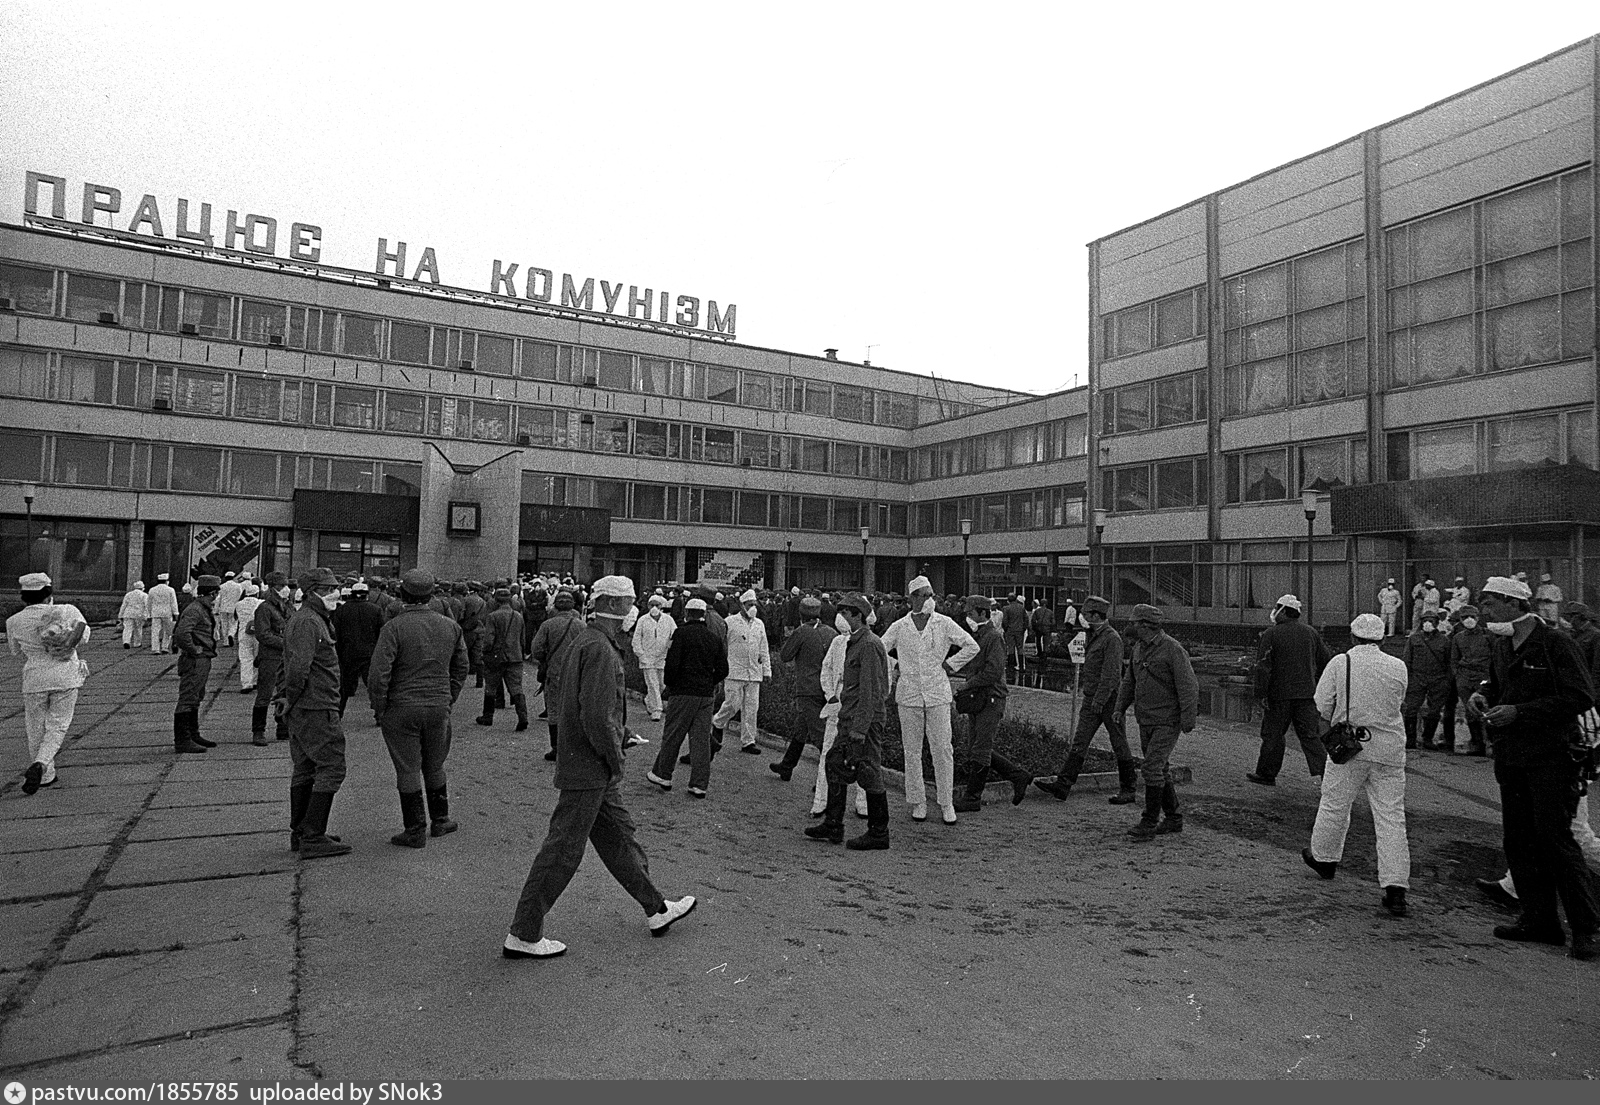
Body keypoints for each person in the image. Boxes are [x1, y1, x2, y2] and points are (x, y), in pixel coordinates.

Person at [502, 575, 697, 959]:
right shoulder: (602, 650)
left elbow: (590, 706)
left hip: (586, 764)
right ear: (618, 607)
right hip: (590, 768)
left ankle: (656, 908)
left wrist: (618, 734)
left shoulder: (589, 642)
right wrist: (615, 752)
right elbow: (595, 713)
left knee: (618, 838)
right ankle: (524, 932)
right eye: (630, 602)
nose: (633, 609)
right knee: (562, 850)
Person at [1470, 576, 1597, 960]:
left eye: (1489, 603)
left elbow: (1580, 696)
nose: (1484, 611)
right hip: (1512, 758)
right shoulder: (1502, 643)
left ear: (1513, 603)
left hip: (1551, 758)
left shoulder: (1556, 643)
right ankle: (1539, 920)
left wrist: (1520, 713)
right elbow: (1498, 683)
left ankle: (1588, 929)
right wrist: (1483, 694)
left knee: (1555, 841)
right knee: (1519, 840)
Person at [1301, 613, 1412, 917]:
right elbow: (1397, 702)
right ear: (1383, 639)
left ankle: (1324, 858)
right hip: (1389, 749)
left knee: (1335, 803)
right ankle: (1395, 887)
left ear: (1351, 637)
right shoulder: (1398, 666)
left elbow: (1322, 706)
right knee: (1391, 818)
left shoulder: (1340, 662)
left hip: (1351, 746)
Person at [368, 568, 470, 848]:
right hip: (438, 706)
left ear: (402, 595)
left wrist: (380, 707)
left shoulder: (393, 628)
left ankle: (414, 829)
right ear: (431, 595)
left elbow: (378, 674)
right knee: (435, 764)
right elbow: (462, 665)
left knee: (408, 769)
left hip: (402, 707)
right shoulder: (450, 626)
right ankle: (441, 820)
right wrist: (449, 696)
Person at [881, 575, 979, 824]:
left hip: (937, 694)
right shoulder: (900, 626)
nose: (930, 600)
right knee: (912, 750)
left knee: (943, 749)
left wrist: (950, 664)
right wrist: (896, 664)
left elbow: (971, 645)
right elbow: (878, 649)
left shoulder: (943, 623)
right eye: (925, 595)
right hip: (909, 695)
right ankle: (918, 801)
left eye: (932, 595)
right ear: (913, 598)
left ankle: (946, 802)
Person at [805, 594, 892, 849]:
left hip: (863, 723)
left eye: (846, 612)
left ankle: (879, 832)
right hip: (850, 719)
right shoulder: (855, 642)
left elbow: (871, 692)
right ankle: (833, 825)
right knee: (834, 764)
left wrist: (859, 731)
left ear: (858, 615)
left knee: (869, 772)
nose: (842, 616)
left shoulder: (869, 645)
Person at [1034, 595, 1139, 803]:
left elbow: (1111, 675)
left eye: (1085, 614)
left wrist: (1099, 701)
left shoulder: (1111, 639)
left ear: (1095, 615)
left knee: (1119, 742)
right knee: (1080, 741)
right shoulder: (1093, 635)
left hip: (1109, 700)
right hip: (1092, 698)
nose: (1082, 618)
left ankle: (1129, 789)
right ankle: (1063, 785)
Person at [280, 567, 352, 859]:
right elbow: (298, 668)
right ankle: (312, 835)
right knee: (332, 766)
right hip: (315, 705)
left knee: (307, 766)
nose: (334, 593)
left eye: (335, 588)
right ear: (311, 593)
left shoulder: (313, 619)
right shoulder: (309, 622)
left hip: (310, 704)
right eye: (327, 589)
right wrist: (289, 697)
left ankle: (303, 830)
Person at [1116, 604, 1198, 841]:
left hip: (1167, 720)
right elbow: (1129, 682)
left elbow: (1188, 686)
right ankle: (1173, 819)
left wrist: (1188, 718)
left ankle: (1149, 821)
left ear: (1144, 625)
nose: (1129, 626)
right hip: (1146, 718)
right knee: (1160, 768)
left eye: (1133, 622)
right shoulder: (1139, 649)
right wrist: (1119, 708)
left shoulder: (1172, 649)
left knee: (1151, 767)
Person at [7, 572, 89, 794]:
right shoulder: (67, 611)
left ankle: (46, 775)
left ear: (24, 597)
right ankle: (42, 764)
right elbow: (84, 636)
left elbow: (14, 651)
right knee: (58, 725)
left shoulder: (13, 621)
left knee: (35, 727)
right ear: (48, 594)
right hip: (65, 675)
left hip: (34, 678)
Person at [951, 595, 1030, 812]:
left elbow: (993, 671)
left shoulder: (993, 637)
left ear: (982, 613)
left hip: (991, 698)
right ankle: (1018, 776)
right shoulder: (978, 636)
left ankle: (973, 797)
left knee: (980, 748)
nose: (968, 617)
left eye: (970, 613)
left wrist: (967, 685)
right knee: (976, 748)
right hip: (979, 699)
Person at [1246, 595, 1332, 787]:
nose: (1274, 612)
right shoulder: (1311, 633)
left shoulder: (1271, 634)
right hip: (1306, 694)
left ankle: (1267, 774)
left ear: (1284, 611)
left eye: (1277, 608)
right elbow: (1326, 661)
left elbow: (1263, 667)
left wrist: (1261, 694)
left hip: (1279, 696)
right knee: (1311, 736)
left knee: (1273, 735)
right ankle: (1328, 775)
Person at [648, 597, 728, 798]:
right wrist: (709, 681)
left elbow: (672, 665)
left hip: (683, 692)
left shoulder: (680, 634)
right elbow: (723, 669)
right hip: (705, 694)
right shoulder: (713, 638)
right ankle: (699, 785)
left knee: (673, 734)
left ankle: (663, 774)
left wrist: (671, 684)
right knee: (701, 741)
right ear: (703, 615)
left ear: (687, 613)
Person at [772, 595, 835, 782]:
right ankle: (787, 766)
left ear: (800, 614)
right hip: (826, 690)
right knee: (801, 729)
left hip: (807, 690)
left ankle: (829, 780)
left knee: (820, 737)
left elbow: (785, 655)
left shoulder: (801, 632)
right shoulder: (831, 633)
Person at [710, 589, 771, 754]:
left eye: (754, 604)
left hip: (754, 672)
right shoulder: (729, 622)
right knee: (733, 704)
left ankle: (748, 741)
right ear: (742, 605)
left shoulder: (759, 624)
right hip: (734, 671)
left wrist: (767, 670)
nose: (753, 607)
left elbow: (763, 648)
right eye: (749, 605)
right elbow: (721, 645)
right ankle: (718, 722)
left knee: (752, 708)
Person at [528, 589, 585, 761]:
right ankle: (574, 747)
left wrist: (546, 659)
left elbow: (536, 649)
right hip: (576, 673)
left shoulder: (548, 625)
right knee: (575, 709)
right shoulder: (581, 625)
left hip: (554, 673)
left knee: (554, 710)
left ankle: (556, 748)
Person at [172, 574, 220, 753]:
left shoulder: (202, 608)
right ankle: (183, 740)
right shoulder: (196, 609)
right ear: (213, 593)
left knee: (196, 697)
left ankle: (193, 734)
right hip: (194, 660)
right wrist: (194, 649)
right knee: (188, 697)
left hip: (202, 659)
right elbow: (182, 633)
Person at [476, 588, 529, 730]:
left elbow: (489, 640)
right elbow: (523, 640)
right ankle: (522, 716)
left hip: (496, 657)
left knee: (491, 687)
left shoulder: (492, 616)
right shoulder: (518, 616)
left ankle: (488, 716)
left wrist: (485, 652)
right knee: (516, 687)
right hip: (515, 657)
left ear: (496, 600)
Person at [251, 572, 292, 746]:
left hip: (286, 657)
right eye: (282, 586)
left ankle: (282, 728)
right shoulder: (264, 608)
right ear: (273, 588)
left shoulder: (288, 607)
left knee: (284, 693)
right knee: (264, 695)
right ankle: (258, 731)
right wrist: (286, 643)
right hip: (270, 657)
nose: (286, 589)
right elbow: (263, 634)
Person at [329, 581, 382, 716]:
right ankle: (379, 714)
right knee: (373, 686)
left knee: (343, 688)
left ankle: (338, 714)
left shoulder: (341, 610)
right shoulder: (375, 610)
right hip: (369, 653)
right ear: (366, 594)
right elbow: (381, 632)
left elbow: (336, 633)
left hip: (347, 654)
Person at [1402, 610, 1452, 750]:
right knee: (1411, 709)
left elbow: (1449, 662)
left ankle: (1427, 739)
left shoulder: (1444, 640)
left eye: (1431, 621)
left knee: (1434, 711)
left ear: (1437, 623)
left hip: (1438, 679)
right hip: (1417, 678)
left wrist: (1446, 681)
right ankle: (1410, 740)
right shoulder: (1414, 638)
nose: (1428, 624)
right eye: (1425, 621)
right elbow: (1407, 659)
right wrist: (1409, 678)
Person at [632, 594, 676, 722]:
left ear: (661, 606)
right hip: (647, 657)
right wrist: (640, 654)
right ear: (648, 606)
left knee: (661, 685)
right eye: (652, 605)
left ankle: (648, 700)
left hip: (663, 657)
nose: (654, 608)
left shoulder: (668, 620)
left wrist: (670, 647)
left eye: (657, 605)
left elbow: (675, 635)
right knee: (652, 684)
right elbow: (636, 639)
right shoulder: (643, 620)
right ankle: (657, 710)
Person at [235, 582, 263, 694]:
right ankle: (255, 681)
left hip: (244, 633)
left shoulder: (239, 604)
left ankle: (246, 683)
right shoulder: (261, 603)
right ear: (257, 593)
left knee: (245, 659)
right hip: (257, 633)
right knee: (257, 657)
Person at [148, 572, 178, 654]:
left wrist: (149, 612)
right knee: (168, 631)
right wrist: (176, 613)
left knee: (155, 631)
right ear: (166, 581)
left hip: (156, 613)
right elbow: (173, 602)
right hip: (167, 613)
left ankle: (155, 649)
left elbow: (149, 602)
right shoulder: (170, 590)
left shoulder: (152, 590)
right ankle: (165, 647)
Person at [118, 580, 149, 650]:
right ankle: (137, 643)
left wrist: (120, 615)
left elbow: (124, 605)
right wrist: (147, 615)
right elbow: (147, 606)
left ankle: (126, 641)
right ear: (142, 588)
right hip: (139, 614)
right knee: (138, 629)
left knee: (127, 628)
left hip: (128, 613)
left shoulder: (128, 594)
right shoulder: (144, 595)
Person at [215, 571, 243, 647]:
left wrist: (216, 609)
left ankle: (225, 641)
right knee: (233, 623)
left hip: (223, 608)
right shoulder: (238, 586)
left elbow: (218, 598)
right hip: (234, 608)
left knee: (224, 624)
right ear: (233, 577)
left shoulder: (222, 586)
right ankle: (231, 634)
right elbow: (240, 597)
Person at [1002, 594, 1028, 671]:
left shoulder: (1006, 608)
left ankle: (1011, 665)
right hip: (1020, 630)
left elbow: (1005, 620)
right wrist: (1023, 628)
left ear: (1008, 600)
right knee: (1020, 648)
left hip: (1010, 630)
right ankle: (1021, 666)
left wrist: (1006, 629)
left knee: (1011, 648)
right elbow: (1026, 619)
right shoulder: (1021, 608)